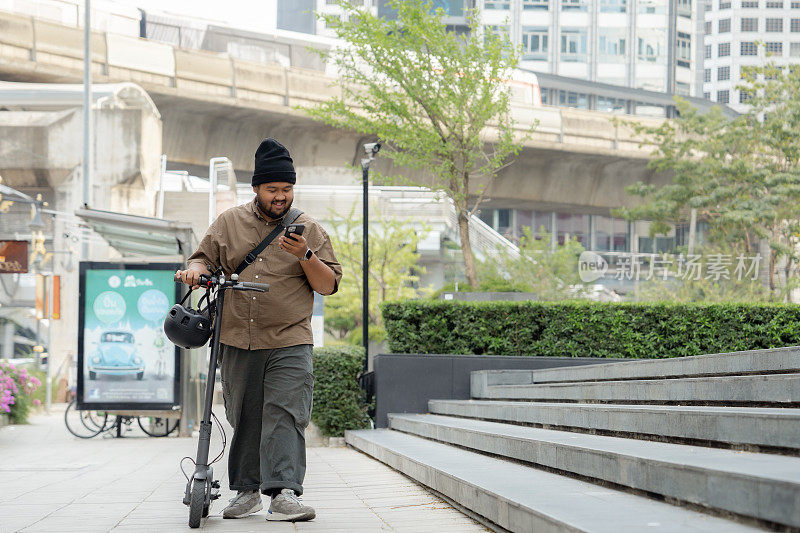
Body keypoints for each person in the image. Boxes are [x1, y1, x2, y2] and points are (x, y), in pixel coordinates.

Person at [175, 138, 342, 522]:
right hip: (237, 338)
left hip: (289, 339)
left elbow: (328, 285)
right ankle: (247, 491)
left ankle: (283, 493)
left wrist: (305, 255)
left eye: (286, 189)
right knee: (245, 416)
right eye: (273, 189)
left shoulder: (309, 228)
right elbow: (201, 260)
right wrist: (194, 273)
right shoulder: (229, 223)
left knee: (285, 413)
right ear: (256, 188)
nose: (280, 196)